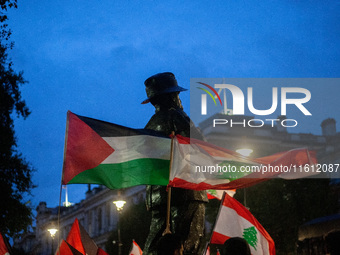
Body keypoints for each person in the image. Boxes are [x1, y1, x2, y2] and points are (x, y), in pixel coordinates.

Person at [142, 72, 208, 255]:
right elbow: (200, 146)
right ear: (172, 96)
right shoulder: (177, 116)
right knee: (188, 243)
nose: (179, 99)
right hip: (185, 191)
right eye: (177, 94)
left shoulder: (150, 124)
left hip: (158, 195)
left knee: (156, 243)